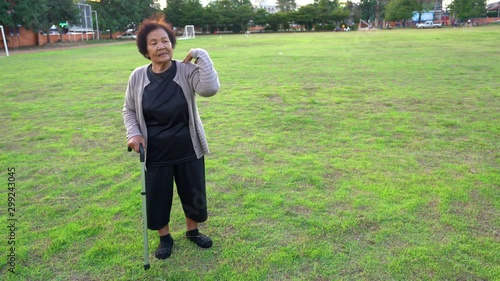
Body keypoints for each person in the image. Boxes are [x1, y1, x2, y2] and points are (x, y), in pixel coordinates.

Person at [122, 14, 220, 260]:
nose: (161, 46)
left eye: (165, 40)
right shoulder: (138, 76)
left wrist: (202, 54)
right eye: (153, 42)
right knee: (158, 196)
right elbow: (129, 110)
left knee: (193, 192)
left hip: (188, 147)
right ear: (146, 50)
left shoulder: (186, 70)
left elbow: (210, 89)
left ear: (172, 43)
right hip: (155, 151)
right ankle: (164, 237)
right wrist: (133, 133)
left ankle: (192, 231)